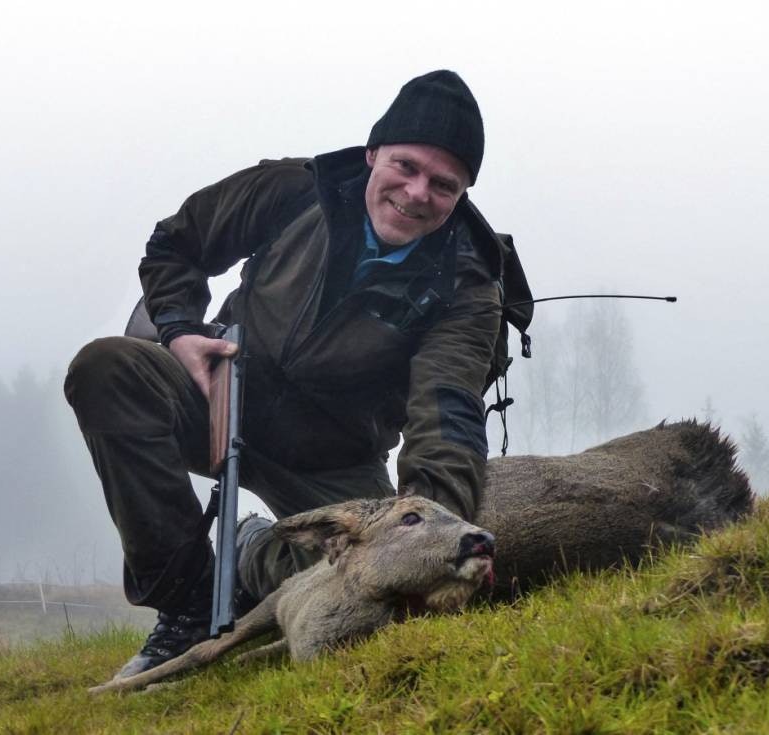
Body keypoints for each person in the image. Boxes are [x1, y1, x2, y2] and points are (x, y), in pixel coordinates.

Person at [64, 70, 531, 678]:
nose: (418, 193)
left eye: (444, 184)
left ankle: (252, 548)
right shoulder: (290, 190)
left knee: (352, 581)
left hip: (330, 455)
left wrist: (433, 547)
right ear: (372, 155)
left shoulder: (469, 286)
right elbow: (176, 245)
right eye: (405, 166)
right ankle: (185, 605)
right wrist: (180, 333)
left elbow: (445, 413)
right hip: (218, 394)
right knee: (107, 369)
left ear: (463, 191)